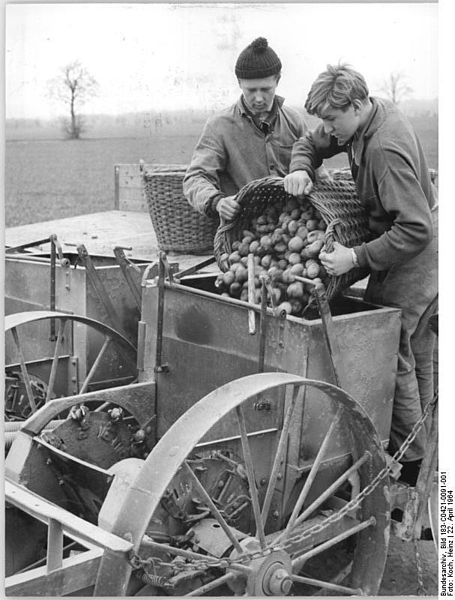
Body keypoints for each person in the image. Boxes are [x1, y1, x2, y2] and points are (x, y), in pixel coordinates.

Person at [284, 64, 438, 486]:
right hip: (402, 238)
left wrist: (356, 258)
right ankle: (425, 458)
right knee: (413, 350)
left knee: (388, 348)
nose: (328, 130)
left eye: (332, 120)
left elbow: (416, 228)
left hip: (418, 251)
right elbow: (310, 140)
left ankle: (409, 473)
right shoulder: (357, 122)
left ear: (356, 105)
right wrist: (300, 166)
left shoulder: (385, 149)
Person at [183, 37, 322, 221]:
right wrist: (217, 202)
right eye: (251, 90)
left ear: (277, 80)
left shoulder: (294, 120)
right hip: (246, 226)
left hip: (296, 223)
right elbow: (195, 177)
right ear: (239, 83)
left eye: (265, 89)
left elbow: (318, 170)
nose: (258, 98)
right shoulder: (219, 126)